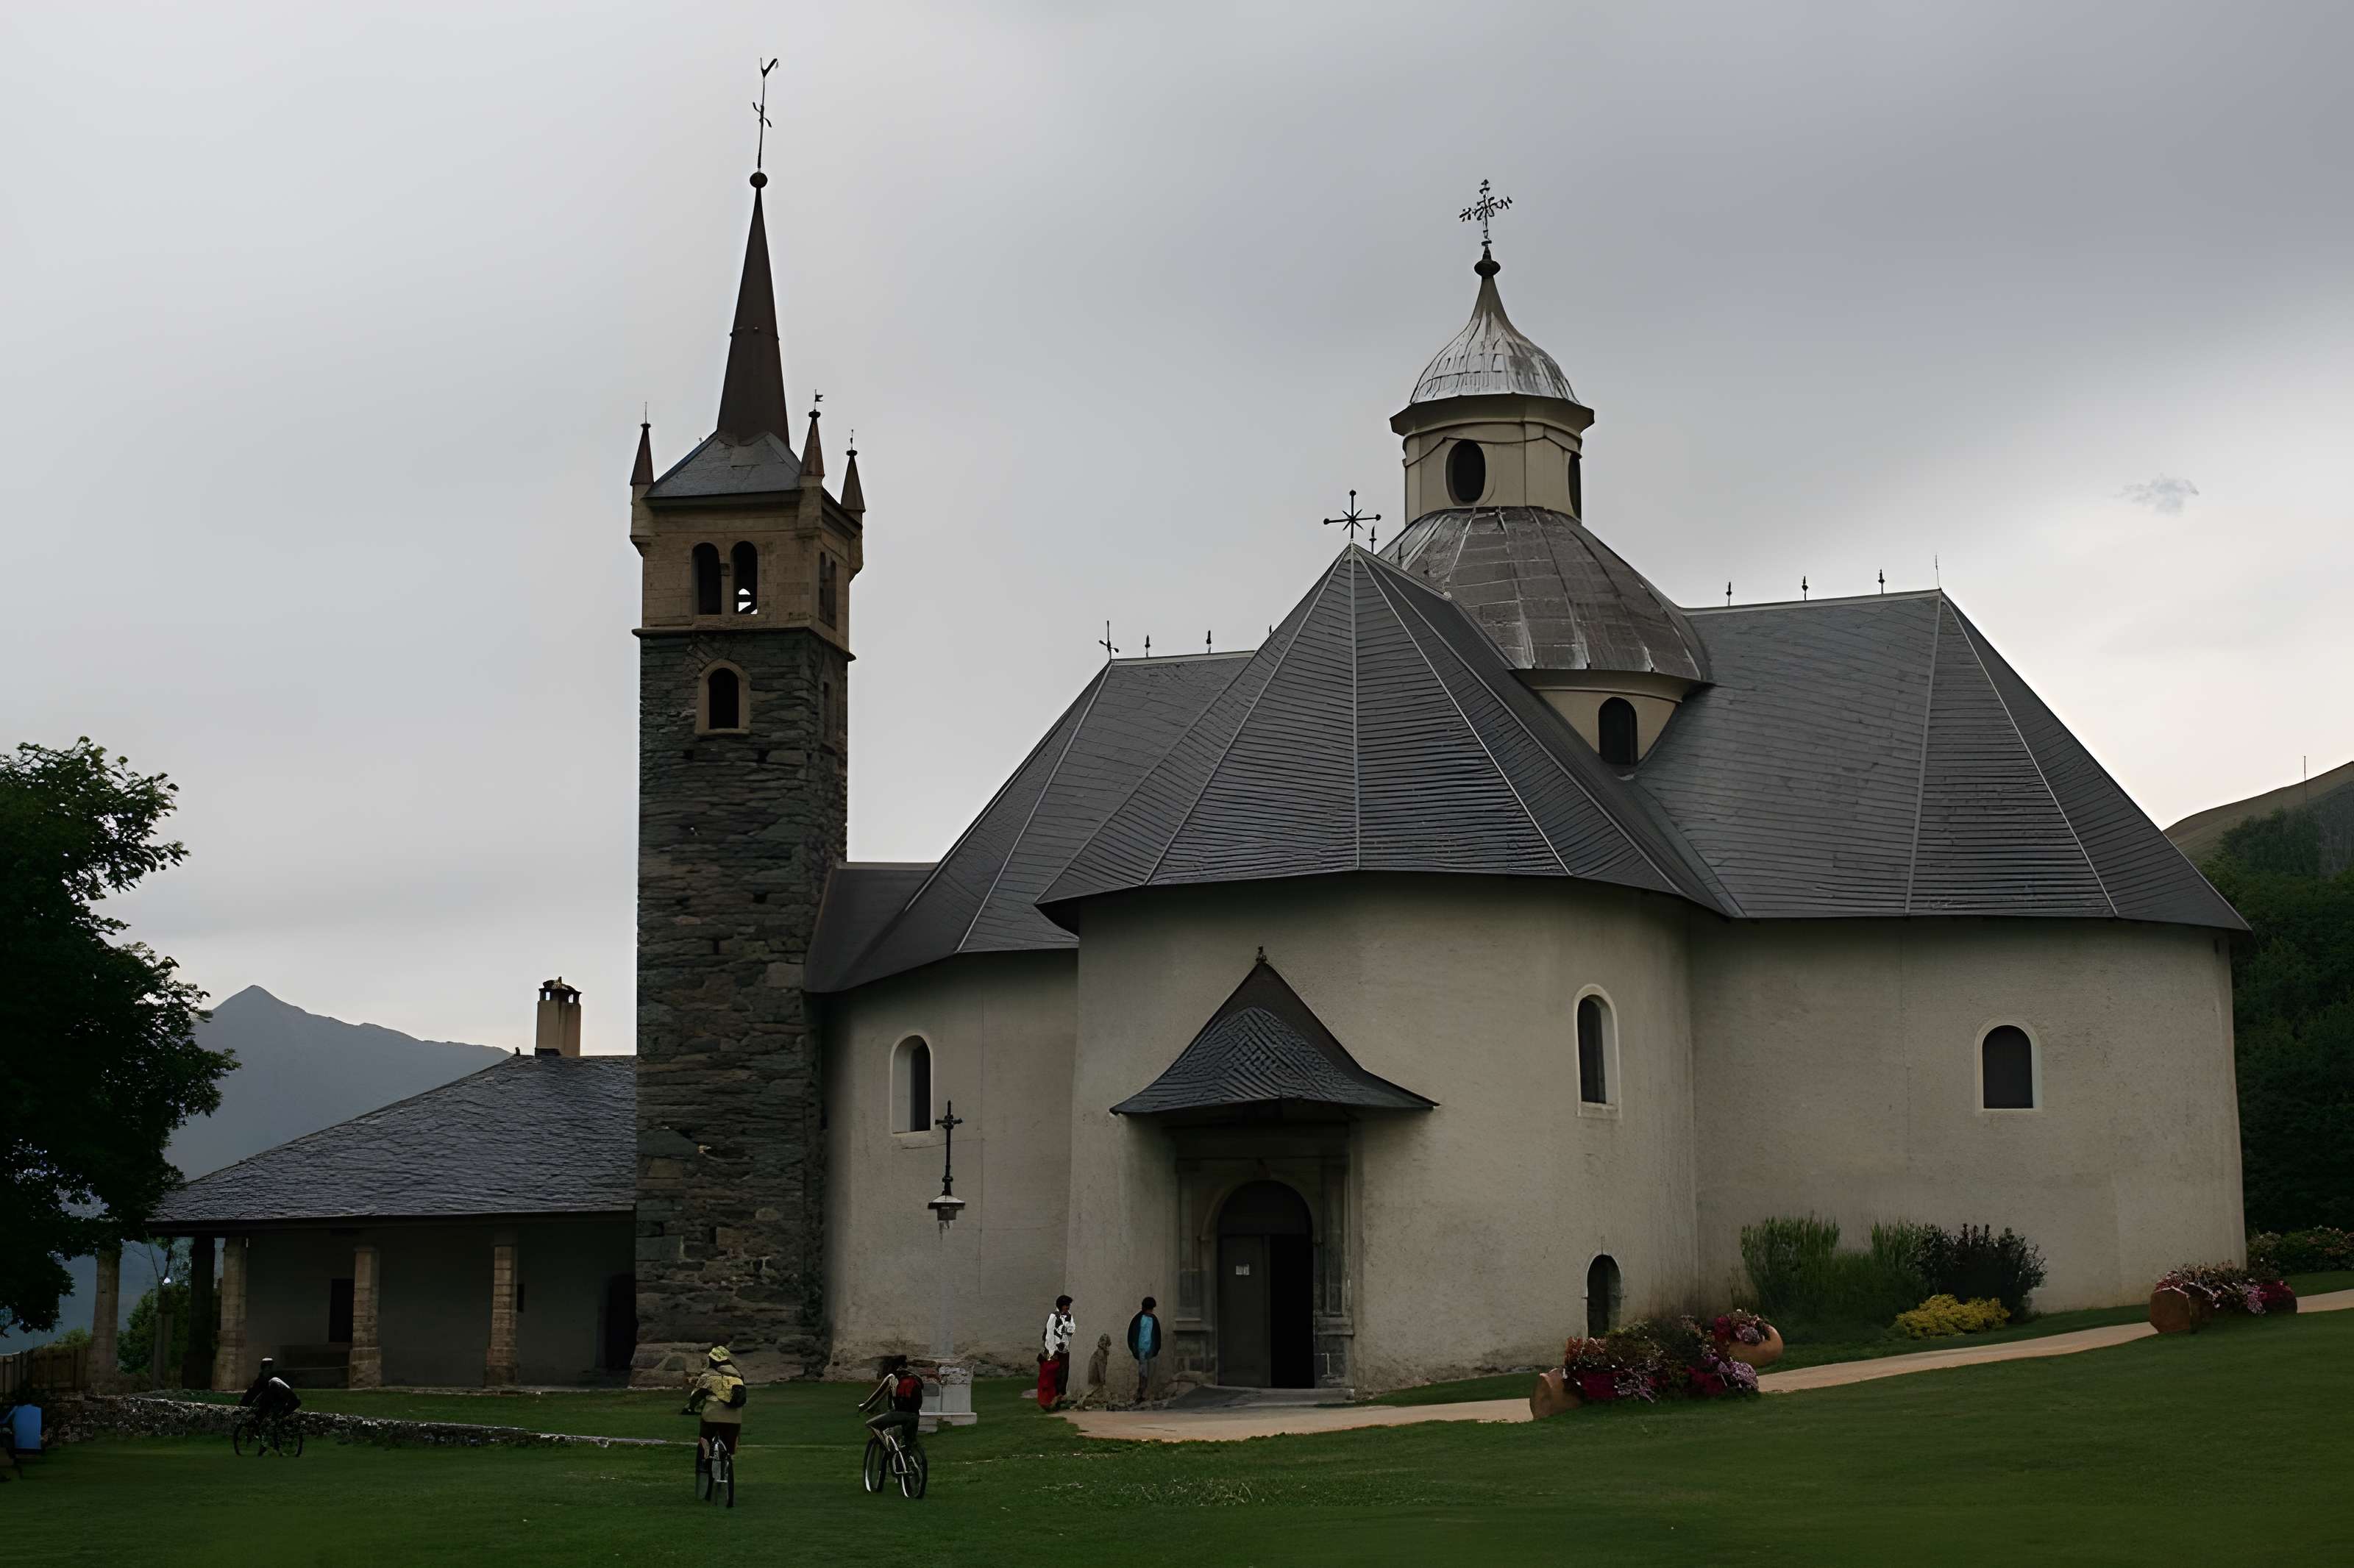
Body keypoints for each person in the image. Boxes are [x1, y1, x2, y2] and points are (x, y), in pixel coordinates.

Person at [681, 1344, 746, 1478]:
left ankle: (704, 1460)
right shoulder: (738, 1377)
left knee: (706, 1437)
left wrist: (690, 1407)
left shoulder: (708, 1376)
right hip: (735, 1417)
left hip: (712, 1415)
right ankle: (729, 1459)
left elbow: (696, 1396)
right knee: (731, 1440)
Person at [857, 1354, 925, 1453]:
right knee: (907, 1446)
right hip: (915, 1416)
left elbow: (877, 1396)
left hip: (902, 1414)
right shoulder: (911, 1378)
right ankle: (903, 1461)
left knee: (871, 1424)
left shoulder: (891, 1377)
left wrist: (864, 1407)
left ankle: (889, 1451)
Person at [1037, 1294, 1075, 1408]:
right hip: (1056, 1354)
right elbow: (1048, 1336)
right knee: (1055, 1378)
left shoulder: (1066, 1317)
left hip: (1063, 1353)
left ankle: (1058, 1399)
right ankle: (1050, 1401)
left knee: (1063, 1376)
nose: (1068, 1309)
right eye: (1066, 1306)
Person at [1126, 1296, 1163, 1401]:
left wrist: (1156, 1349)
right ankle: (1142, 1393)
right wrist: (1134, 1348)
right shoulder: (1139, 1319)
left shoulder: (1153, 1320)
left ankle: (1145, 1392)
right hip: (1142, 1350)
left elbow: (1157, 1335)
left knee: (1148, 1373)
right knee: (1143, 1372)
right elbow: (1132, 1334)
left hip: (1150, 1351)